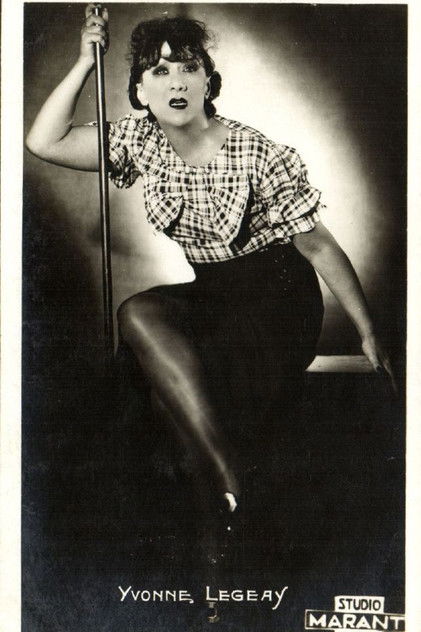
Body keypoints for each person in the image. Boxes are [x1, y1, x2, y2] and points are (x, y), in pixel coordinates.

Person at [26, 3, 394, 551]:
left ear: (207, 82)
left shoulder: (253, 150)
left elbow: (317, 243)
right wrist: (84, 61)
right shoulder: (140, 141)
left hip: (279, 300)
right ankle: (228, 489)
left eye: (189, 67)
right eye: (160, 70)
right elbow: (44, 142)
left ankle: (225, 503)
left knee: (163, 391)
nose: (176, 81)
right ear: (140, 91)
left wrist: (367, 331)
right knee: (138, 314)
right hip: (214, 294)